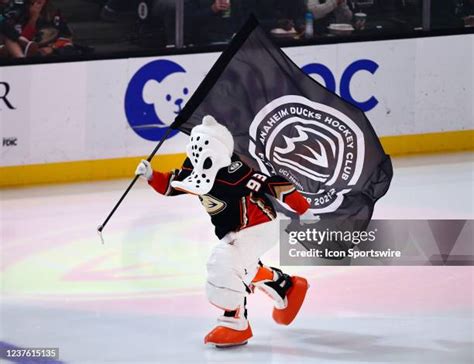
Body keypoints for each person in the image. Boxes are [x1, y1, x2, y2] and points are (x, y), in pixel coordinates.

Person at [135, 115, 311, 347]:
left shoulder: (234, 172)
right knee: (243, 268)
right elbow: (173, 184)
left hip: (259, 225)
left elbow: (271, 183)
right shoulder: (192, 166)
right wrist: (150, 175)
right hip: (235, 230)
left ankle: (236, 324)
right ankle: (284, 286)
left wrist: (303, 209)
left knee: (223, 265)